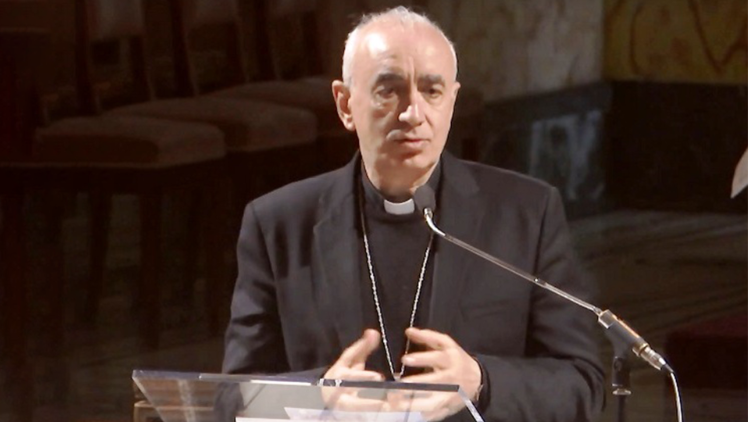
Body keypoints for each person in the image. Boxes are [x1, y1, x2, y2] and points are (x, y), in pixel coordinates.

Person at [222, 6, 605, 421]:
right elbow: (230, 399)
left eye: (432, 91)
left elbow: (582, 385)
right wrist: (317, 397)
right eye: (389, 91)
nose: (413, 113)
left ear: (452, 101)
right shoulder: (279, 224)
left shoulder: (526, 213)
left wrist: (482, 382)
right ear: (345, 104)